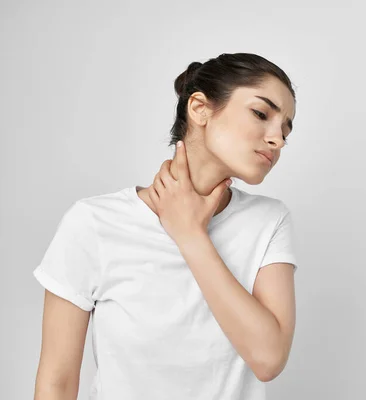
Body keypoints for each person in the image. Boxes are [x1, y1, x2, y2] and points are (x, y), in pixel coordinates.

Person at [32, 53, 299, 400]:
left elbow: (268, 359)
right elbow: (57, 383)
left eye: (285, 131)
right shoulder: (93, 223)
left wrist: (190, 234)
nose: (276, 139)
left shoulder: (269, 221)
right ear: (200, 108)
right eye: (261, 114)